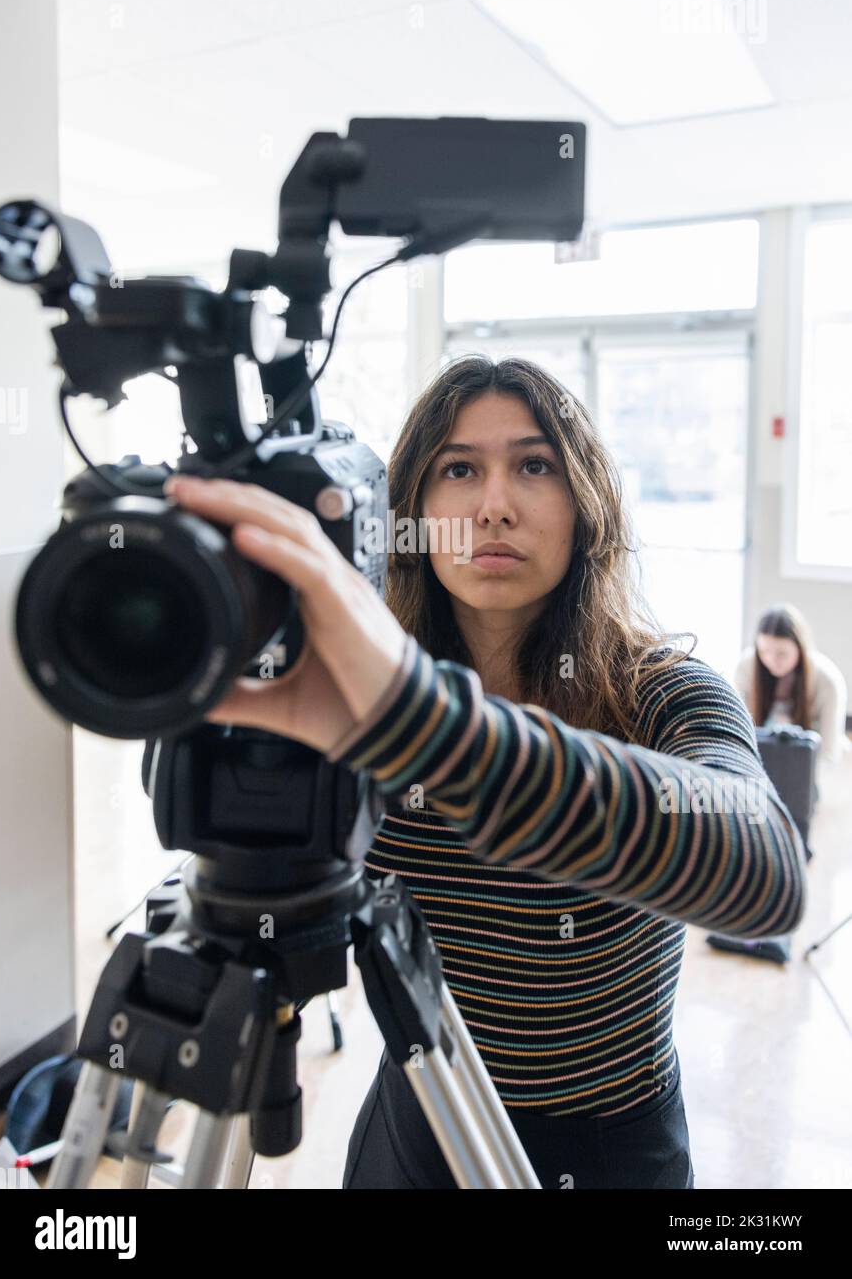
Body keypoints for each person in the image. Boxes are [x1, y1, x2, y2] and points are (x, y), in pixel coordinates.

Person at [163, 355, 807, 1191]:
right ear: (408, 513)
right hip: (418, 1112)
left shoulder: (661, 694)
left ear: (583, 506)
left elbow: (765, 875)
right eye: (457, 469)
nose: (492, 505)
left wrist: (427, 729)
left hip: (605, 1142)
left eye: (533, 466)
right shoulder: (342, 692)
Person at [733, 604, 850, 766]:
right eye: (764, 651)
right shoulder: (747, 666)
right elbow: (738, 730)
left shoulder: (827, 679)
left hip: (809, 761)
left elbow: (829, 753)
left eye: (782, 653)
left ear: (800, 649)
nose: (772, 660)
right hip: (760, 756)